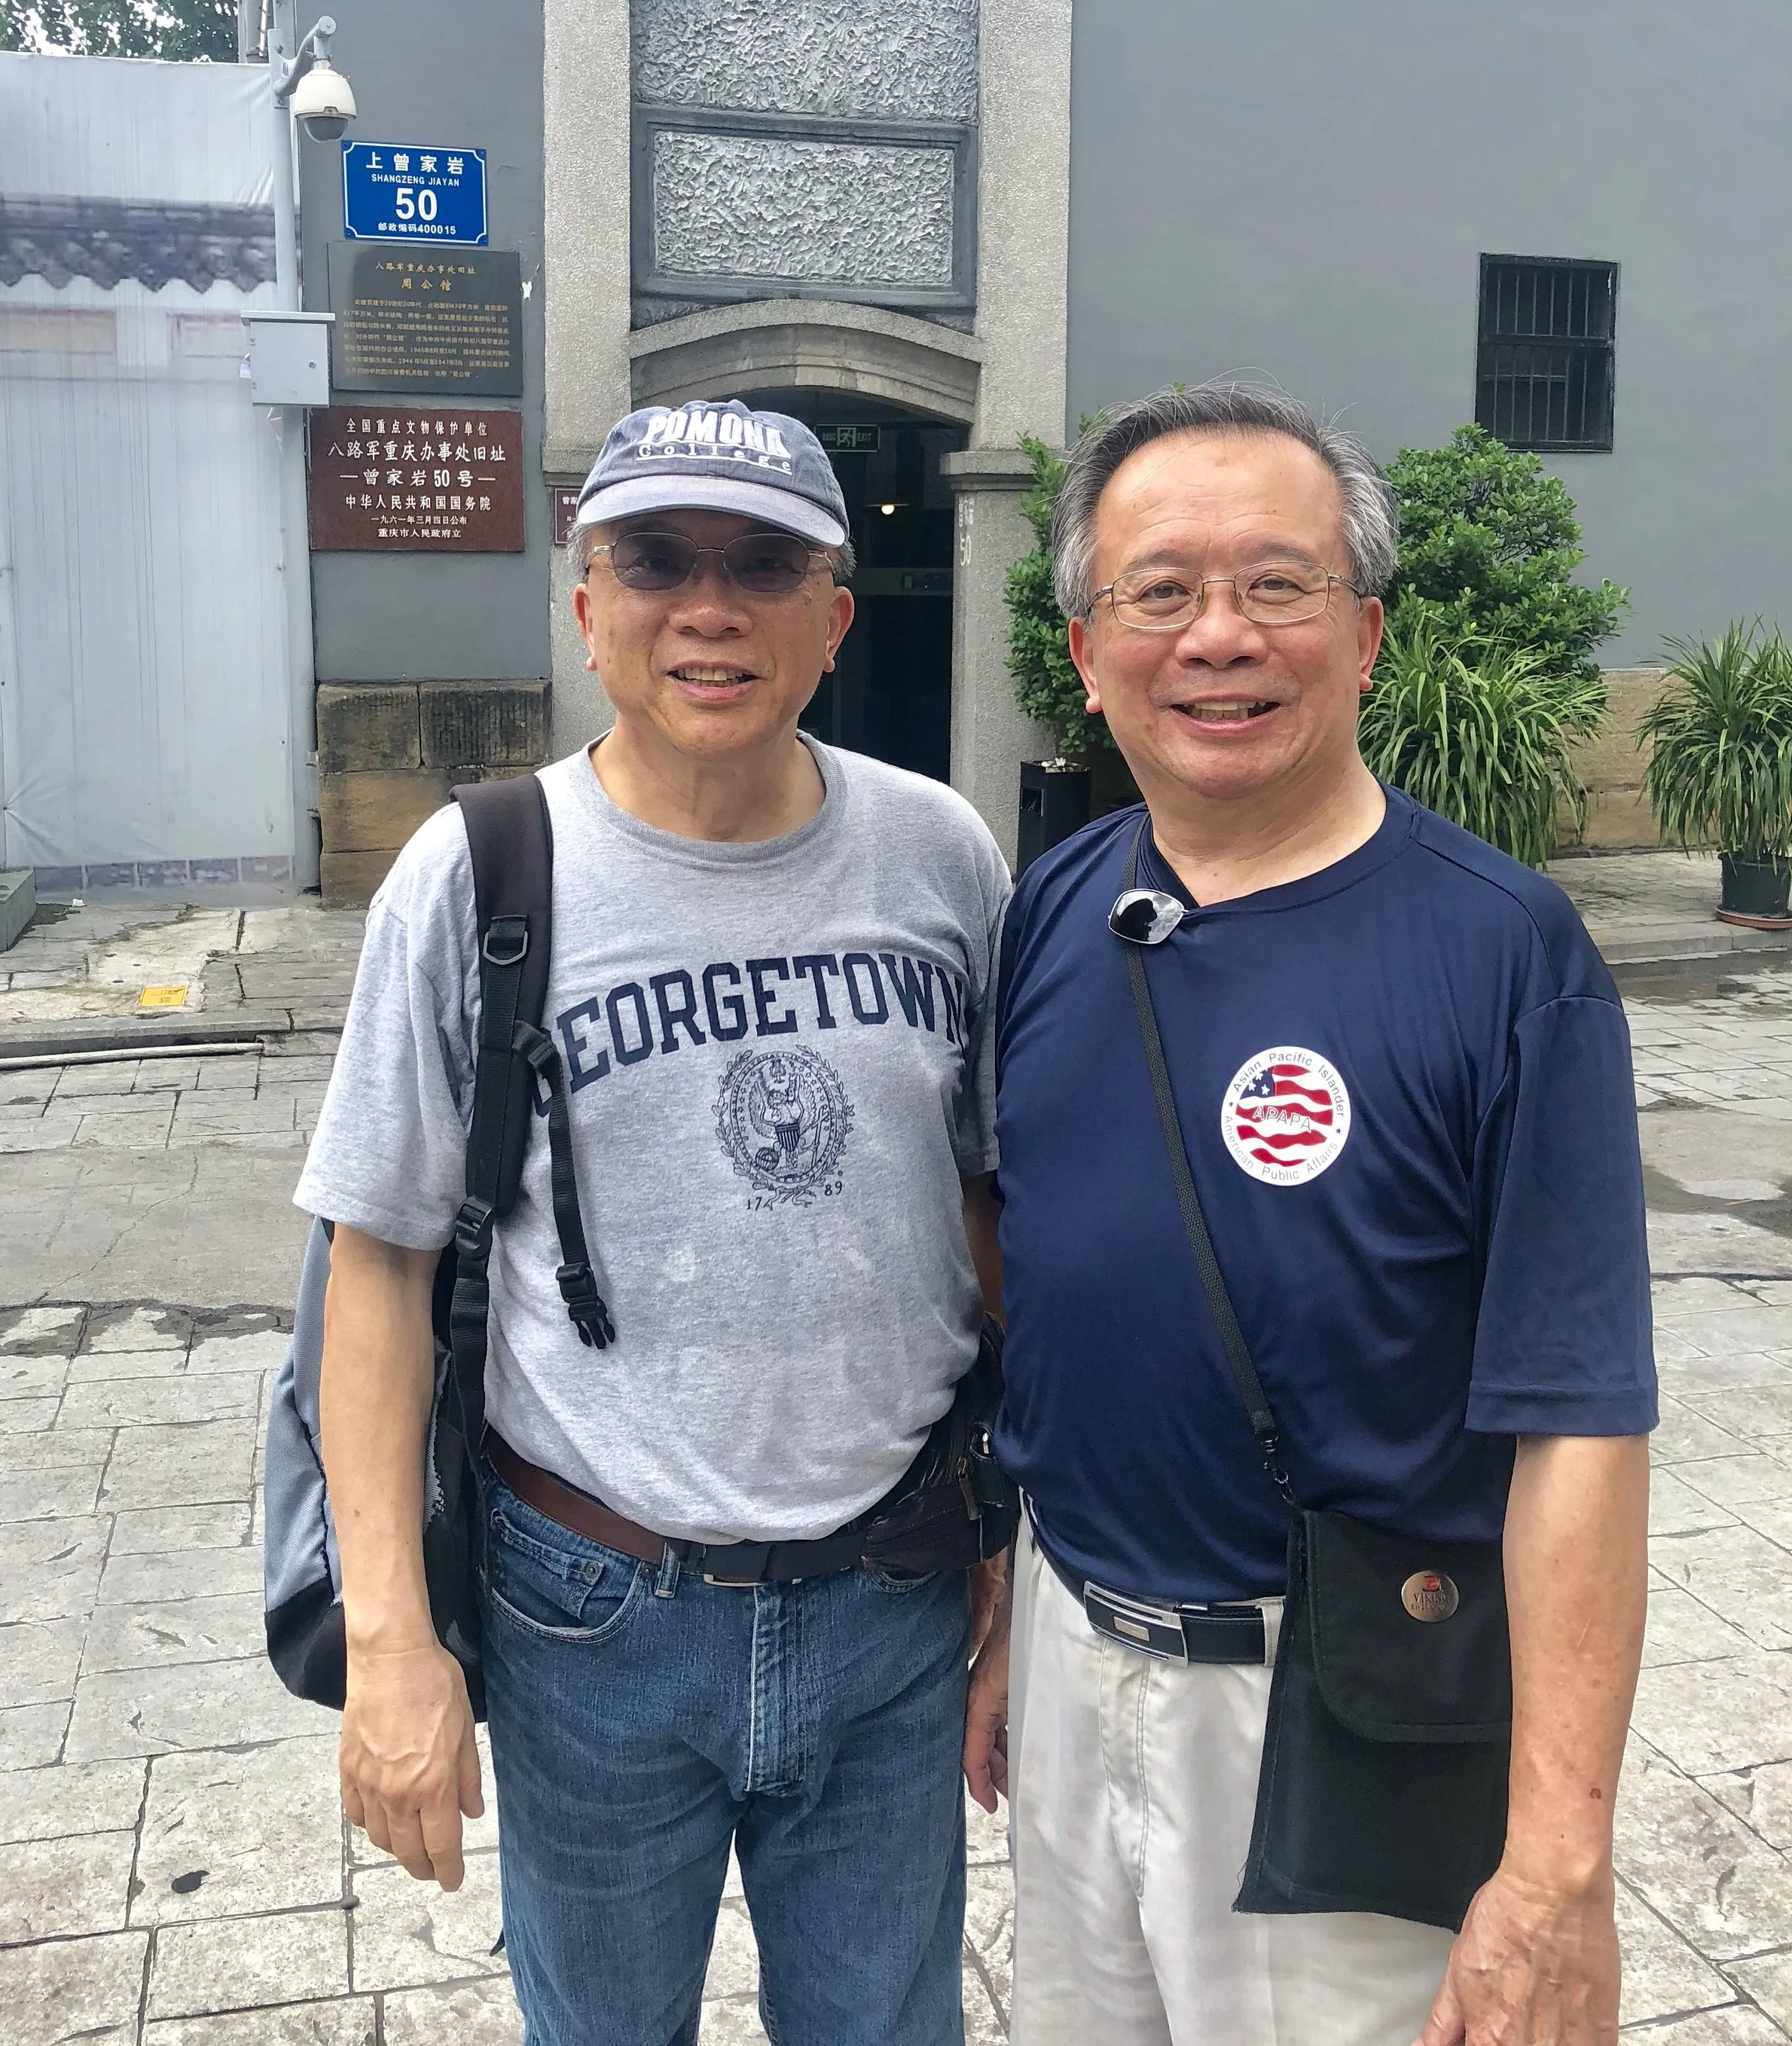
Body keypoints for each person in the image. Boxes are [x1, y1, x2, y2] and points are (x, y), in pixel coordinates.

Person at [299, 399, 1010, 2046]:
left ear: (833, 614)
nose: (710, 607)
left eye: (764, 565)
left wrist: (1010, 1546)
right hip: (589, 1612)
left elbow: (992, 1212)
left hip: (891, 1596)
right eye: (658, 561)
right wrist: (393, 1635)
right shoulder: (476, 873)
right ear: (586, 604)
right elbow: (378, 1269)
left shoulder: (939, 853)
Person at [962, 384, 1655, 2046]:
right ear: (1082, 647)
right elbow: (1036, 1288)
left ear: (1360, 631)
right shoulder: (1055, 902)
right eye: (1158, 591)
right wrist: (1006, 1609)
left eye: (1274, 585)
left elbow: (1576, 1426)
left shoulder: (1500, 955)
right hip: (1068, 1662)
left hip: (1334, 1698)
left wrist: (1556, 1861)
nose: (1217, 636)